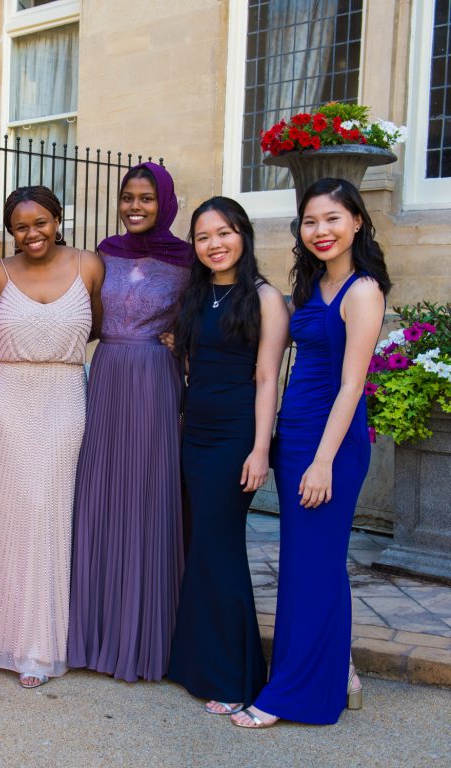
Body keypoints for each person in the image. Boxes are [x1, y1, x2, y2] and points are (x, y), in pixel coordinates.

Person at [232, 178, 388, 729]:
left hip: (332, 445)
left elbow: (351, 386)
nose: (320, 231)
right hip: (295, 436)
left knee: (313, 566)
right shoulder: (314, 284)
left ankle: (294, 696)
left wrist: (323, 461)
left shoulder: (363, 291)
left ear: (357, 223)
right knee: (309, 563)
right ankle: (328, 674)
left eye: (332, 219)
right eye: (310, 221)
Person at [67, 161, 191, 682]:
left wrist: (180, 339)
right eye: (128, 197)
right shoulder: (104, 254)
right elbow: (84, 317)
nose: (135, 206)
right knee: (99, 494)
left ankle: (142, 637)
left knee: (146, 497)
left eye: (146, 198)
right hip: (107, 373)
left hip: (154, 383)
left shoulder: (189, 259)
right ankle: (93, 635)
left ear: (165, 203)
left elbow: (214, 314)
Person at [0, 186, 104, 689]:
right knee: (8, 514)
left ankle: (44, 646)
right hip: (7, 395)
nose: (32, 234)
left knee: (52, 515)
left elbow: (104, 325)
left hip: (65, 394)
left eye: (41, 222)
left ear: (58, 220)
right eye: (21, 227)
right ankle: (1, 638)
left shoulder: (90, 265)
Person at [166, 197, 287, 713]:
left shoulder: (265, 298)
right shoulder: (195, 295)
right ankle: (196, 664)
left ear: (243, 235)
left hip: (236, 435)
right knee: (201, 547)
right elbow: (190, 363)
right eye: (203, 236)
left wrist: (261, 449)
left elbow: (267, 378)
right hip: (195, 433)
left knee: (222, 549)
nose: (214, 244)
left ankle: (236, 678)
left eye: (224, 233)